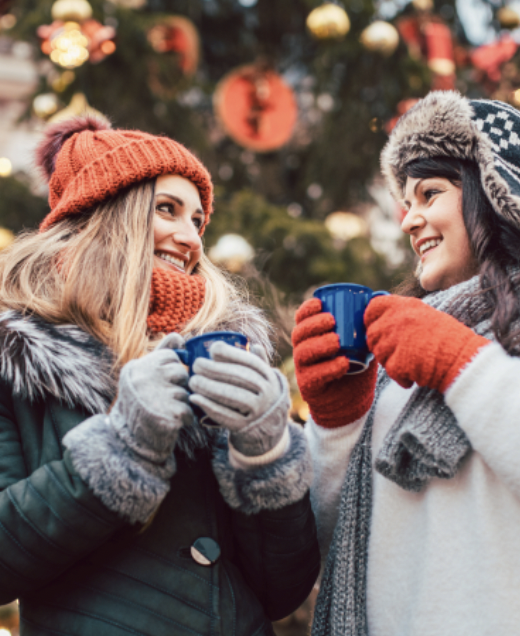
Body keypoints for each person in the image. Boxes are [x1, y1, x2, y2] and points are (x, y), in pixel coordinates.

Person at [292, 91, 520, 636]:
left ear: (500, 195)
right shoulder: (402, 360)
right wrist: (336, 424)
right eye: (406, 201)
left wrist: (461, 364)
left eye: (430, 193)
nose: (410, 220)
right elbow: (335, 546)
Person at [0, 116, 319, 636]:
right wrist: (122, 447)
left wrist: (266, 452)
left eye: (198, 220)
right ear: (104, 216)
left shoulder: (225, 355)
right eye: (166, 209)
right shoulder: (18, 356)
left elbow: (282, 591)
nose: (189, 236)